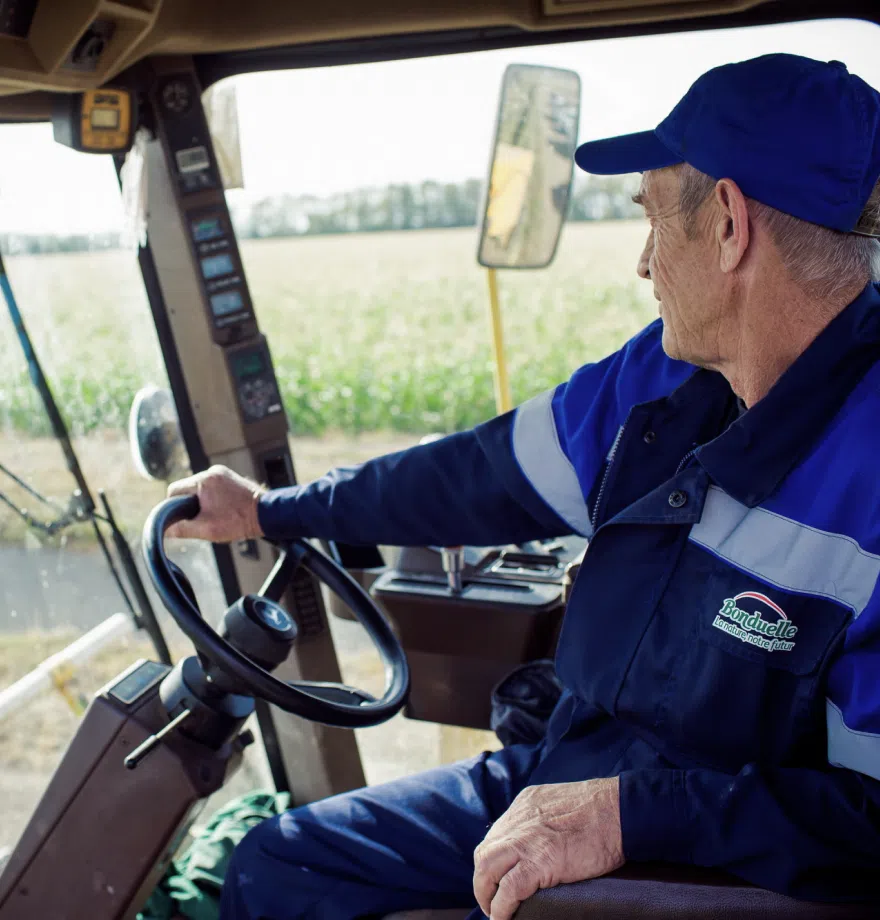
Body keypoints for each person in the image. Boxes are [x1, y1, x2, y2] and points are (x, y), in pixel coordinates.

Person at [167, 53, 880, 920]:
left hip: (709, 857)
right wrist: (276, 509)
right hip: (567, 767)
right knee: (278, 865)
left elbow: (869, 822)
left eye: (652, 220)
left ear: (728, 224)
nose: (645, 264)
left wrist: (632, 815)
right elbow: (475, 476)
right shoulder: (661, 383)